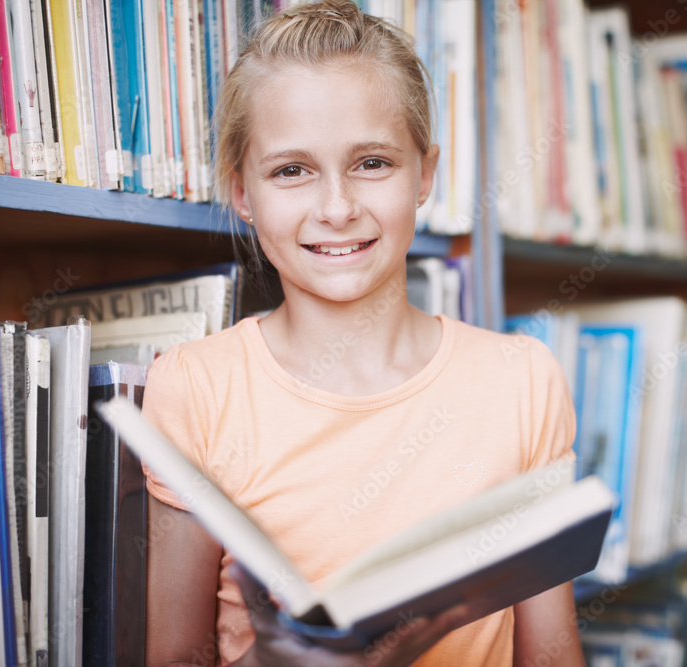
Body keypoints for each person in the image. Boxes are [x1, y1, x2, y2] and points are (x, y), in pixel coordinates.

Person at [141, 1, 586, 665]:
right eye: (291, 170)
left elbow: (550, 655)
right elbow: (176, 656)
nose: (337, 207)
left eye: (372, 163)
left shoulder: (522, 380)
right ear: (242, 192)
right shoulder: (196, 385)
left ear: (425, 175)